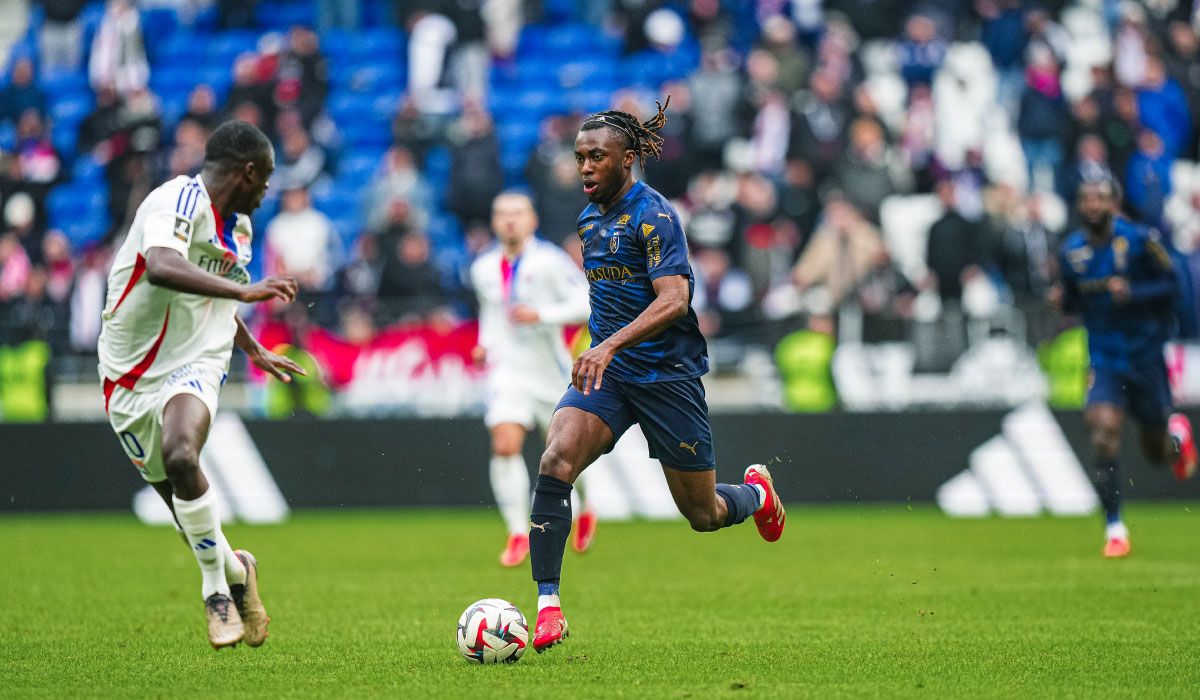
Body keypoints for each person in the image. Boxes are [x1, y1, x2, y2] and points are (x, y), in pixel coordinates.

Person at [529, 99, 786, 653]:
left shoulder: (656, 215)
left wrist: (611, 344)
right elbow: (603, 296)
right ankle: (548, 606)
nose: (585, 168)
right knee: (556, 460)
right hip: (611, 374)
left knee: (703, 513)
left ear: (627, 160)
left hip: (668, 376)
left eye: (597, 156)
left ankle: (755, 495)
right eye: (579, 158)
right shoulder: (588, 218)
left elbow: (675, 298)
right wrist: (594, 345)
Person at [97, 120, 305, 648]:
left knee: (183, 455)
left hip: (198, 354)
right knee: (183, 508)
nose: (268, 191)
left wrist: (252, 347)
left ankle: (216, 592)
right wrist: (250, 292)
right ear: (248, 171)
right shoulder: (175, 200)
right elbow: (164, 267)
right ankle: (238, 571)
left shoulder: (239, 230)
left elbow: (219, 299)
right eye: (267, 178)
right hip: (128, 371)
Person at [1049, 173, 1198, 559]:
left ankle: (1175, 437)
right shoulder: (1071, 252)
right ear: (1080, 206)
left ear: (1114, 203)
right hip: (1104, 356)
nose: (1093, 205)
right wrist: (1061, 302)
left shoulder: (1141, 241)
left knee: (1154, 451)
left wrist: (1135, 292)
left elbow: (1174, 287)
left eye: (1100, 198)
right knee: (1102, 430)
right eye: (1087, 199)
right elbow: (1072, 300)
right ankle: (1115, 528)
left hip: (1145, 355)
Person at [470, 192, 597, 567]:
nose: (510, 220)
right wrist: (483, 344)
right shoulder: (482, 268)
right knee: (505, 444)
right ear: (495, 222)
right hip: (507, 371)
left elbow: (587, 303)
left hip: (549, 372)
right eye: (503, 214)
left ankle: (588, 505)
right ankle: (515, 531)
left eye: (517, 213)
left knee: (564, 455)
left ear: (532, 221)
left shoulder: (549, 262)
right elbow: (491, 315)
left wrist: (541, 313)